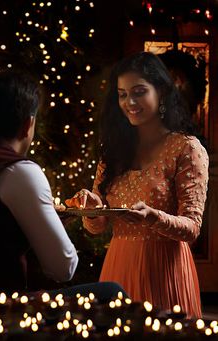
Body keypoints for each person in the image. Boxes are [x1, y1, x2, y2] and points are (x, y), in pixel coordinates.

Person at [65, 51, 209, 318]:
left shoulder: (186, 149)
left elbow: (192, 228)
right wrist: (94, 208)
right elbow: (96, 229)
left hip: (165, 272)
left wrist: (154, 217)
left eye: (139, 91)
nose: (129, 102)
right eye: (122, 94)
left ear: (162, 93)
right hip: (118, 267)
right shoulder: (114, 151)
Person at [0, 70, 126, 302]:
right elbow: (63, 267)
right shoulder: (19, 172)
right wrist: (46, 217)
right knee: (111, 293)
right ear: (28, 124)